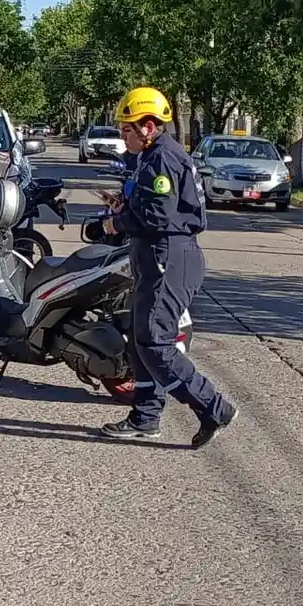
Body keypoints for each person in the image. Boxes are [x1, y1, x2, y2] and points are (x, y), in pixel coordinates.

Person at [97, 86, 238, 448]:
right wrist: (123, 204)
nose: (121, 135)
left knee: (156, 342)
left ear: (148, 126)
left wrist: (118, 222)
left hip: (169, 257)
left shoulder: (163, 158)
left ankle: (214, 407)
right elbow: (157, 205)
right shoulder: (152, 156)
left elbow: (158, 215)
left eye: (126, 129)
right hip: (155, 256)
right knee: (140, 338)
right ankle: (145, 417)